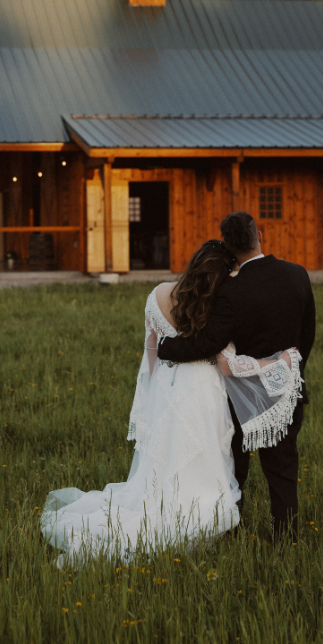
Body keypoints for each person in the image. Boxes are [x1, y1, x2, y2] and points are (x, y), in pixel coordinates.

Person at [41, 240, 291, 564]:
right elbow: (229, 364)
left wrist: (152, 399)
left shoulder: (158, 295)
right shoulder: (216, 306)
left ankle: (161, 509)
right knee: (202, 458)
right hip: (203, 392)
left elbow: (150, 354)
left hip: (166, 387)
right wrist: (278, 363)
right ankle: (193, 519)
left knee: (165, 459)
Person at [156, 211, 316, 543]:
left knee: (234, 469)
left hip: (240, 398)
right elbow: (307, 335)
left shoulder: (231, 291)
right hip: (285, 392)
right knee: (282, 471)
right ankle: (285, 541)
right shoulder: (297, 275)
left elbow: (208, 343)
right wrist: (289, 374)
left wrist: (164, 345)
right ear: (259, 234)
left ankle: (232, 532)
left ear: (228, 246)